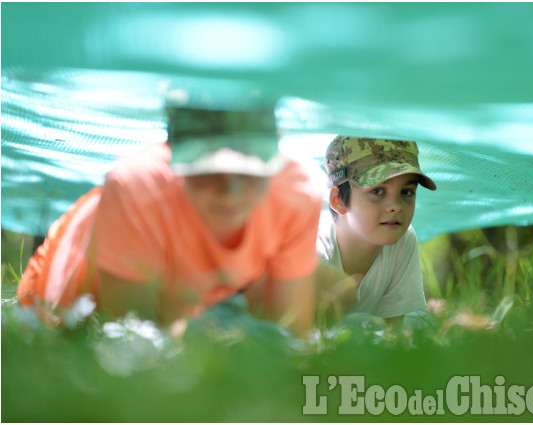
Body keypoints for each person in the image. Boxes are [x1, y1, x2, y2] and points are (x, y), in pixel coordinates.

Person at [17, 88, 323, 337]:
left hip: (189, 292)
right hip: (78, 262)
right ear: (174, 155)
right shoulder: (134, 190)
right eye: (209, 169)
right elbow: (128, 338)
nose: (229, 190)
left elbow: (290, 334)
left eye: (248, 170)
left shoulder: (297, 192)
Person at [316, 136, 436, 327]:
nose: (395, 206)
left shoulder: (403, 238)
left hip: (361, 343)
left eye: (406, 192)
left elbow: (392, 333)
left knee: (424, 322)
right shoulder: (315, 246)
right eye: (377, 191)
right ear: (338, 199)